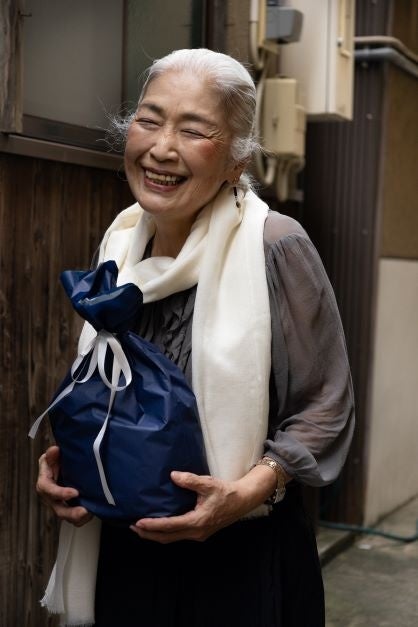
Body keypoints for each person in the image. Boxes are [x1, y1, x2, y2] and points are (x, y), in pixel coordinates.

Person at [36, 48, 355, 627]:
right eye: (149, 120)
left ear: (237, 160)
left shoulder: (275, 245)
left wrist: (244, 495)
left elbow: (324, 407)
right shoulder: (121, 243)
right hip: (124, 552)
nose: (161, 148)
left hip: (239, 560)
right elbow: (108, 393)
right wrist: (73, 464)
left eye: (193, 130)